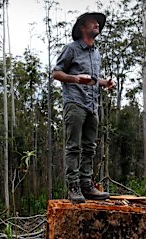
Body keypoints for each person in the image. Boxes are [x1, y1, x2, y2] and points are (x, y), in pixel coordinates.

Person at [53, 12, 116, 204]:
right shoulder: (71, 49)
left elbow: (93, 79)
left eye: (98, 23)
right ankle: (73, 186)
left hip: (92, 104)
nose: (97, 24)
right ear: (82, 27)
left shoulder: (96, 53)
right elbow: (56, 73)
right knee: (74, 146)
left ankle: (87, 185)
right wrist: (74, 79)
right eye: (93, 22)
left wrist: (105, 83)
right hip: (75, 102)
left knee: (90, 147)